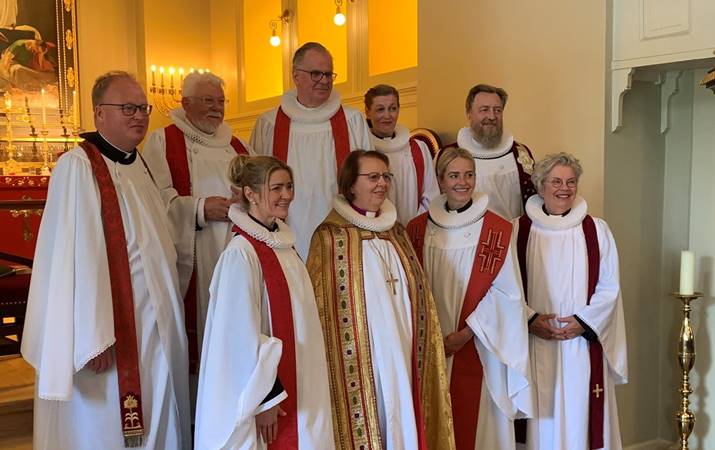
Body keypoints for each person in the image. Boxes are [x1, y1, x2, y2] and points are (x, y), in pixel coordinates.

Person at [21, 71, 191, 449]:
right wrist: (89, 337)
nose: (139, 116)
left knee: (159, 408)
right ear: (99, 113)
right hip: (110, 333)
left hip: (154, 323)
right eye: (127, 108)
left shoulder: (138, 164)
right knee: (107, 426)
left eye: (142, 108)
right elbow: (70, 256)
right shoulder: (78, 167)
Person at [307, 150, 455, 450]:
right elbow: (320, 312)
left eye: (386, 176)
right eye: (372, 177)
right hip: (363, 360)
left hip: (404, 351)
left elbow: (420, 297)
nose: (382, 184)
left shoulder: (396, 232)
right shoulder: (330, 237)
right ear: (350, 185)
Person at [194, 155, 334, 449]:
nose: (287, 196)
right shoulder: (242, 253)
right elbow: (237, 336)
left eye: (290, 186)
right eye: (277, 188)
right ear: (250, 194)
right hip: (268, 394)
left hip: (302, 380)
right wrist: (265, 399)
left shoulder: (284, 245)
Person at [406, 147, 532, 450]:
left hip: (481, 344)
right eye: (453, 175)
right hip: (434, 345)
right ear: (440, 180)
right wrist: (435, 338)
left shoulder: (497, 229)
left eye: (468, 174)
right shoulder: (417, 229)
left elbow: (508, 294)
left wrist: (465, 335)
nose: (462, 182)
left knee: (482, 429)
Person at [143, 71, 251, 383]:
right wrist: (200, 208)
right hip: (196, 253)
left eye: (220, 101)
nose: (216, 108)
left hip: (236, 250)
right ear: (185, 102)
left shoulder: (237, 144)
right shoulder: (163, 141)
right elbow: (154, 200)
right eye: (207, 101)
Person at [514, 152, 627, 450]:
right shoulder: (518, 231)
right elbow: (506, 289)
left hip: (581, 344)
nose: (564, 188)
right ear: (540, 186)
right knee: (542, 422)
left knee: (581, 419)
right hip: (536, 342)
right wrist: (530, 320)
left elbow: (610, 286)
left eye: (570, 181)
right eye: (555, 181)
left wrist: (583, 323)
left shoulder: (596, 230)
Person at [250, 42, 372, 259]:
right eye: (316, 74)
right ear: (296, 76)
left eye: (328, 74)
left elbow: (367, 181)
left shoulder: (352, 121)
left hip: (341, 231)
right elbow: (257, 186)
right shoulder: (269, 124)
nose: (324, 81)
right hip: (284, 232)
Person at [450, 84, 537, 220]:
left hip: (512, 235)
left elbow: (533, 200)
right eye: (484, 110)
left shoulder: (521, 153)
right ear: (469, 114)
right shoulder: (449, 156)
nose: (492, 116)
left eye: (497, 110)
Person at [364, 84, 439, 225]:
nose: (387, 116)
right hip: (375, 230)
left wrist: (414, 227)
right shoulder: (363, 149)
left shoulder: (418, 148)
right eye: (380, 109)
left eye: (392, 109)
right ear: (367, 112)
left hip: (413, 231)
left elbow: (431, 195)